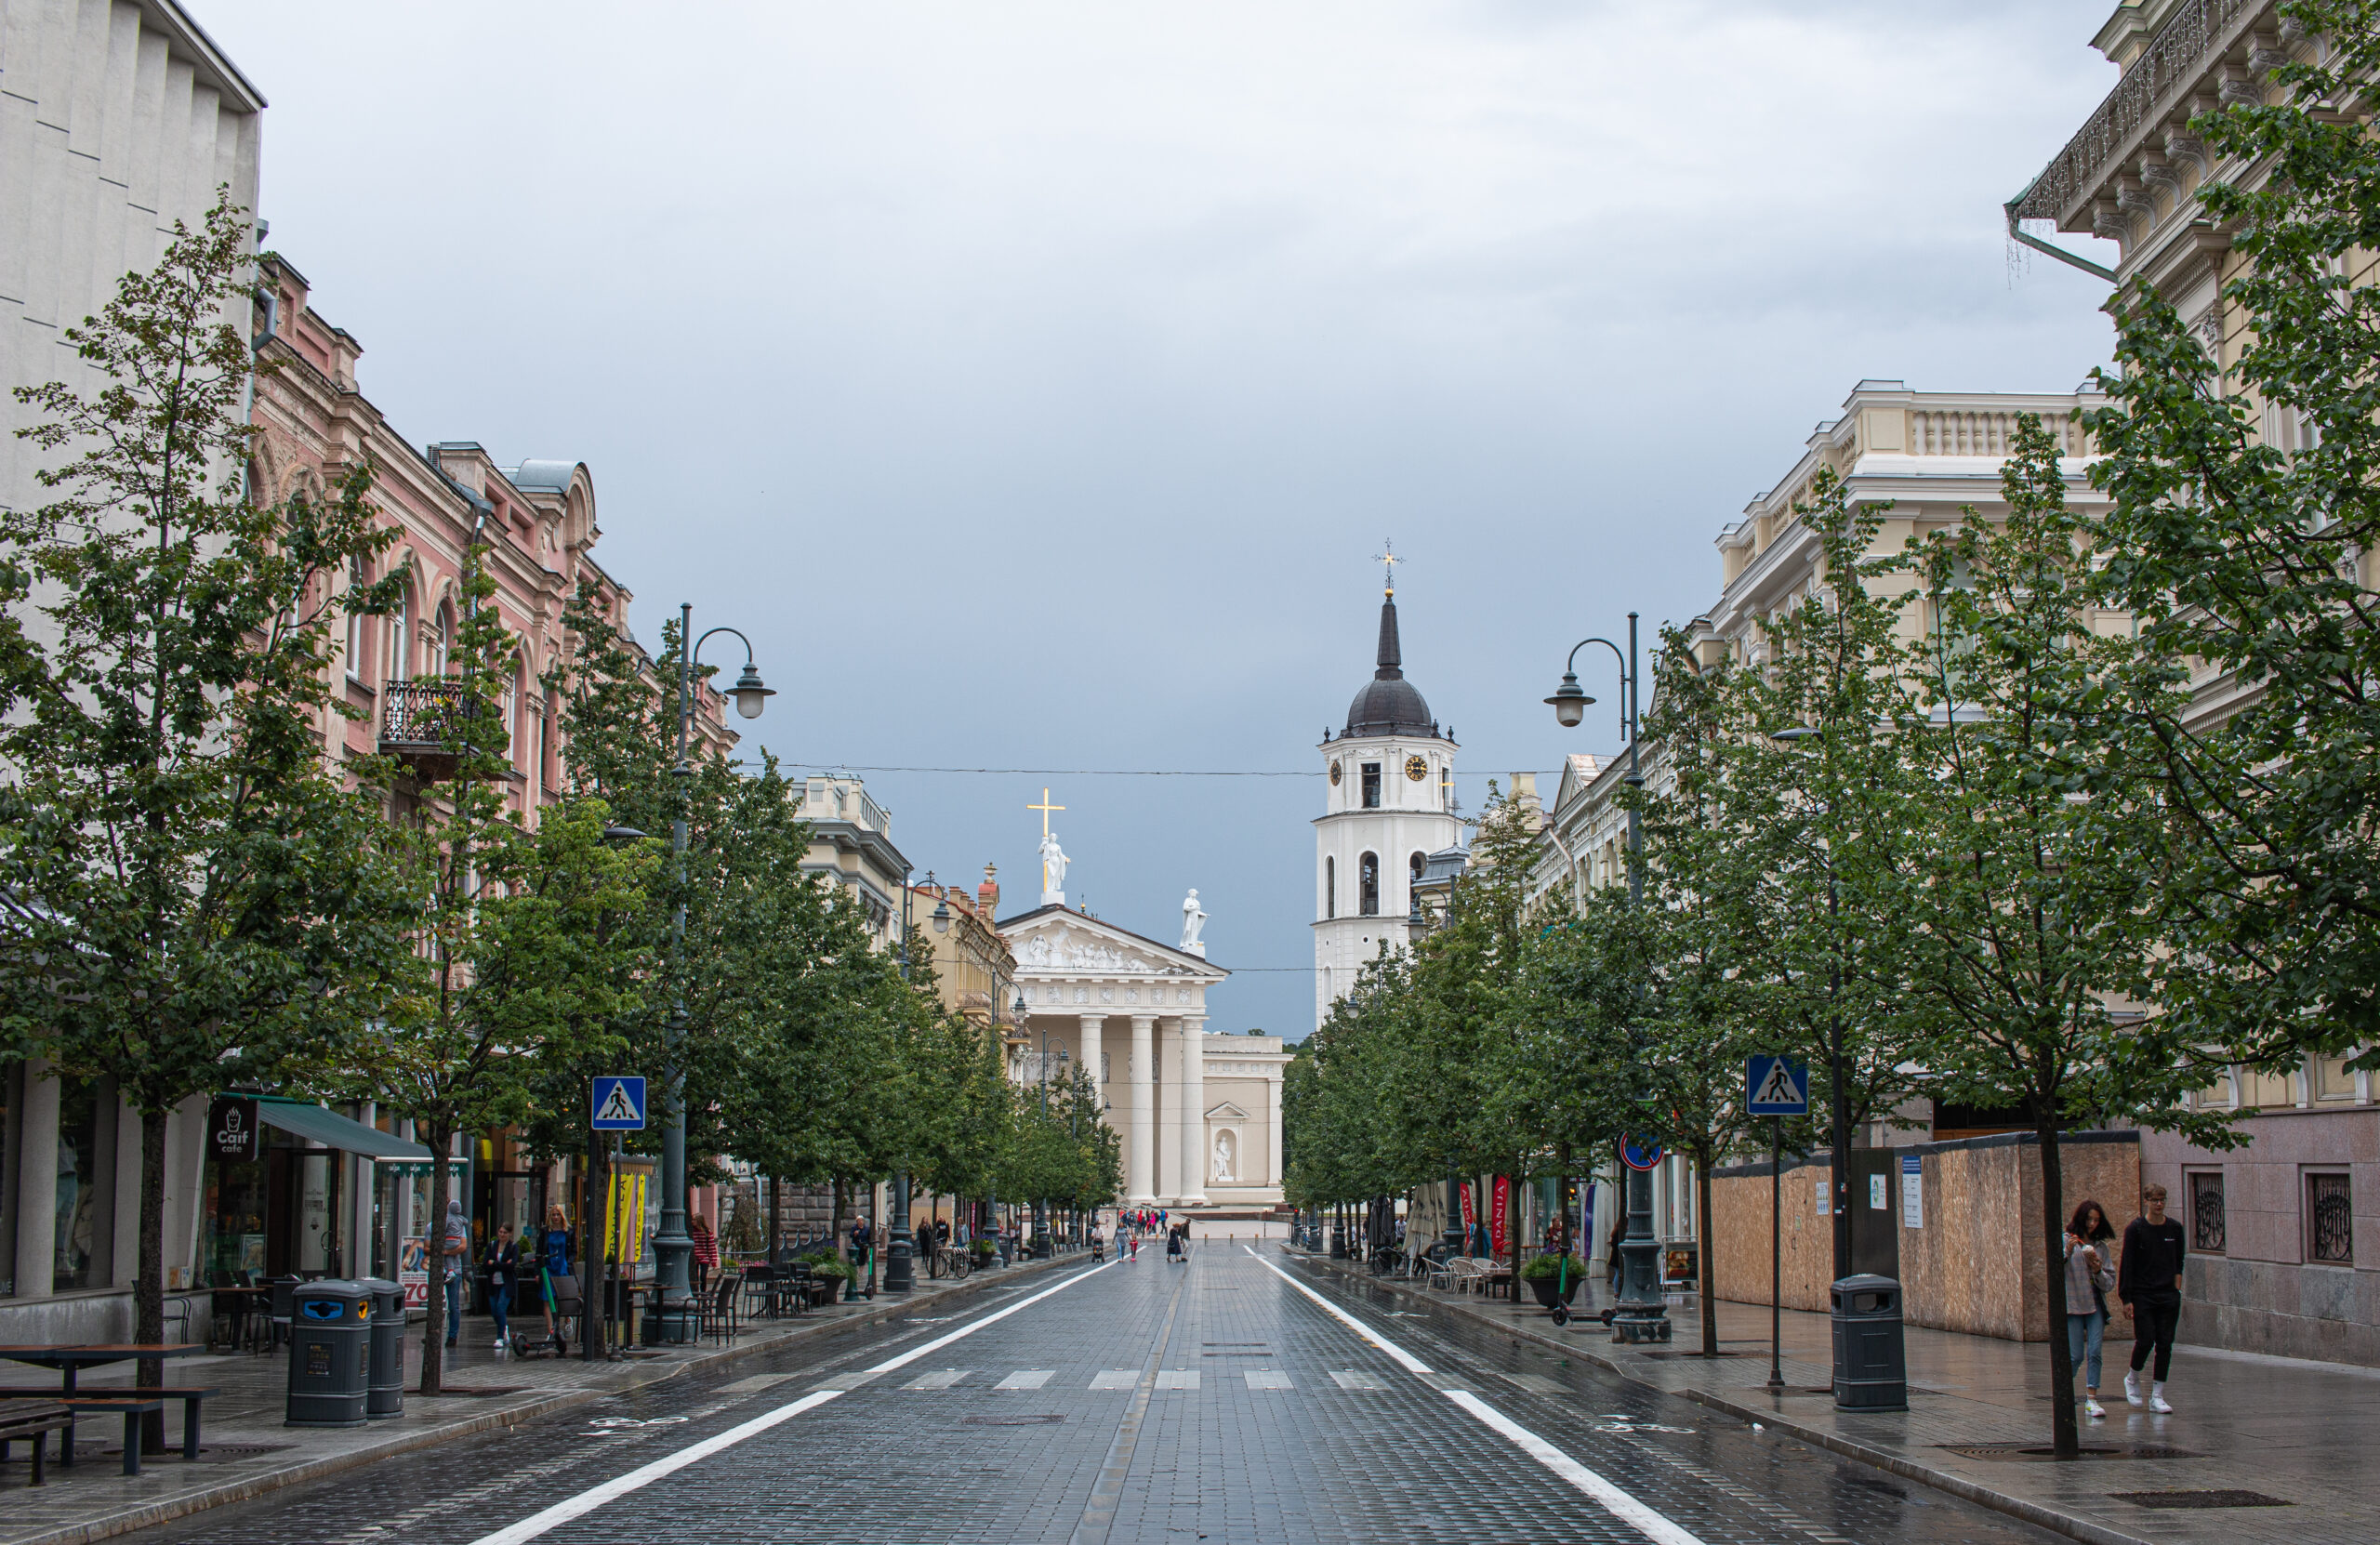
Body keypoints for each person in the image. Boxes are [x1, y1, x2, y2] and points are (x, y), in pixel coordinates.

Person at [2119, 1183, 2188, 1413]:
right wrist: (2126, 1298)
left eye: (2162, 1199)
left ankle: (2157, 1394)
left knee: (2165, 1344)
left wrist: (2176, 1287)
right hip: (2143, 1294)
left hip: (2167, 1293)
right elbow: (2127, 1264)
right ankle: (2132, 1377)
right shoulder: (2136, 1229)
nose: (2159, 1204)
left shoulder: (2175, 1229)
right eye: (2154, 1200)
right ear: (2146, 1201)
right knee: (2145, 1340)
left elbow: (2179, 1260)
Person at [2064, 1200, 2118, 1418]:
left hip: (2095, 1304)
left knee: (2094, 1351)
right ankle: (2064, 1389)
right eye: (2089, 1219)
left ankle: (2092, 1398)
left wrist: (2097, 1269)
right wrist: (2067, 1252)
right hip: (2073, 1304)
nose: (2093, 1224)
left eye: (2096, 1220)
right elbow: (2055, 1267)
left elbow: (2109, 1283)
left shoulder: (2100, 1247)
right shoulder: (2068, 1240)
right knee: (2075, 1355)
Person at [539, 1204, 574, 1349]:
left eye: (557, 1215)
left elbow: (573, 1251)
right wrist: (538, 1271)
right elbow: (539, 1250)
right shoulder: (545, 1232)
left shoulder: (569, 1232)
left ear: (562, 1216)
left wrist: (569, 1263)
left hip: (562, 1267)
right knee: (547, 1299)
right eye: (553, 1215)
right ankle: (552, 1331)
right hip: (548, 1266)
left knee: (562, 1297)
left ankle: (567, 1319)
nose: (555, 1217)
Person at [483, 1223, 521, 1351]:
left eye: (505, 1232)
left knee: (500, 1308)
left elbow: (512, 1265)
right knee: (494, 1311)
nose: (502, 1235)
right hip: (493, 1283)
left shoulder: (513, 1248)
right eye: (500, 1232)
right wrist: (503, 1264)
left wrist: (495, 1263)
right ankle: (503, 1327)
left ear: (509, 1234)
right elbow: (485, 1264)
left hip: (507, 1283)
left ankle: (499, 1337)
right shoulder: (492, 1246)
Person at [441, 1199, 469, 1348]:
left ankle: (452, 1336)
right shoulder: (457, 1220)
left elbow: (463, 1246)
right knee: (434, 1304)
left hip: (455, 1270)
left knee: (453, 1306)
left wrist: (446, 1251)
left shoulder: (450, 1222)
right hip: (439, 1269)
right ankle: (433, 1334)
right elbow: (426, 1247)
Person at [689, 1213, 719, 1296]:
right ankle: (695, 1293)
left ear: (699, 1221)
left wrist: (713, 1260)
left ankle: (703, 1293)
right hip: (694, 1257)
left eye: (694, 1220)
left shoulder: (707, 1232)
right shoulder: (691, 1231)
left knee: (703, 1276)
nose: (692, 1221)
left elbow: (711, 1247)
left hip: (704, 1257)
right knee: (694, 1277)